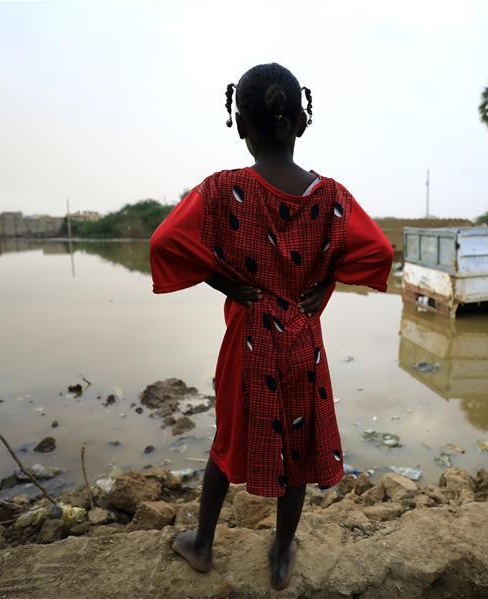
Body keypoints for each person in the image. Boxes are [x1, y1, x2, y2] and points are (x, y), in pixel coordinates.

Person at [148, 62, 393, 590]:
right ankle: (282, 555)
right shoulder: (330, 196)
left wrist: (223, 281)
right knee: (297, 448)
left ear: (241, 125)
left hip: (248, 337)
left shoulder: (221, 189)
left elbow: (165, 242)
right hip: (303, 337)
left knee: (227, 437)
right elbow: (378, 250)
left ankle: (203, 544)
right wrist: (324, 282)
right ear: (300, 122)